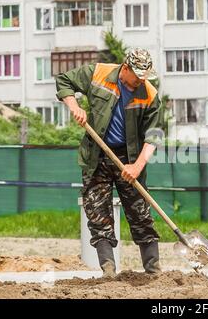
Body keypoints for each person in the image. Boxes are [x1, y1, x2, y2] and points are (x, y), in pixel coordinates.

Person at [56, 48, 163, 278]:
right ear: (125, 68)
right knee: (98, 213)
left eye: (145, 76)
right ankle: (109, 271)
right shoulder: (98, 74)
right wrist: (74, 106)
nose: (141, 81)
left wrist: (137, 166)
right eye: (138, 76)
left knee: (141, 214)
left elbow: (154, 134)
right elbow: (64, 81)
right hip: (97, 155)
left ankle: (153, 271)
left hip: (130, 159)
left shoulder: (150, 94)